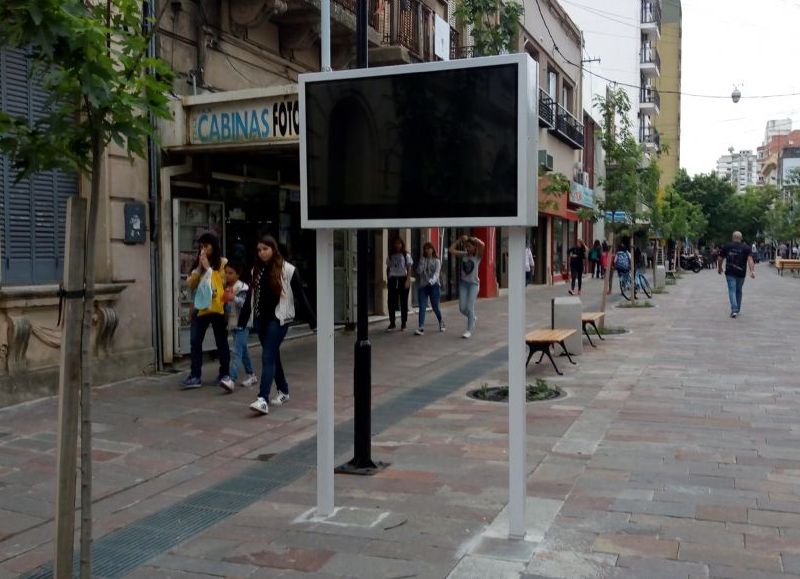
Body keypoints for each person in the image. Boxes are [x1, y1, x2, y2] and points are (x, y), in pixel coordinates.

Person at [239, 234, 315, 415]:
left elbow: (300, 296)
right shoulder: (255, 270)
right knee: (272, 356)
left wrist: (313, 321)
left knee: (267, 356)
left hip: (279, 319)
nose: (262, 253)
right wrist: (243, 321)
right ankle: (284, 390)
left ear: (273, 249)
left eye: (265, 249)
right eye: (259, 250)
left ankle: (262, 399)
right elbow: (251, 296)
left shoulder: (288, 270)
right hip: (261, 319)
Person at [181, 232, 231, 389]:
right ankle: (195, 375)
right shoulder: (199, 264)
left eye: (206, 246)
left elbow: (223, 282)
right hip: (201, 307)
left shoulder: (223, 263)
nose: (203, 250)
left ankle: (225, 373)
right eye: (201, 246)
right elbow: (190, 284)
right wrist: (199, 268)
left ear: (214, 246)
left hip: (217, 307)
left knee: (221, 341)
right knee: (195, 341)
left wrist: (208, 268)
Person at [221, 261, 258, 393]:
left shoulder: (243, 287)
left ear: (238, 274)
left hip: (243, 323)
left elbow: (245, 304)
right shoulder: (227, 287)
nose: (227, 275)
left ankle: (232, 379)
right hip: (234, 323)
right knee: (243, 350)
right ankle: (251, 375)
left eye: (230, 273)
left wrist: (232, 298)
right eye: (226, 273)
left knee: (237, 351)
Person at [449, 234, 485, 339]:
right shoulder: (463, 255)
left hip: (474, 285)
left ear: (474, 247)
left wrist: (475, 239)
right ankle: (472, 317)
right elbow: (451, 250)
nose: (467, 248)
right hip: (463, 284)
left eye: (469, 246)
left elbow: (482, 245)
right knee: (462, 308)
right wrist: (459, 239)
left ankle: (469, 330)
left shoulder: (477, 257)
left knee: (469, 307)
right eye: (466, 246)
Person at [718, 231, 755, 319]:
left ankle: (734, 310)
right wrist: (752, 270)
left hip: (730, 272)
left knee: (732, 290)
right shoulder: (746, 248)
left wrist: (719, 267)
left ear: (732, 237)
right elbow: (750, 260)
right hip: (741, 273)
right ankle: (736, 309)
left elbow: (720, 258)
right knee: (739, 290)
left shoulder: (727, 246)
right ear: (741, 238)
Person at [414, 242, 445, 335]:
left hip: (434, 286)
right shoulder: (422, 260)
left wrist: (431, 281)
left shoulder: (437, 261)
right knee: (422, 306)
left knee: (435, 307)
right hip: (423, 286)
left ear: (432, 249)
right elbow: (418, 272)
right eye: (426, 249)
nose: (427, 250)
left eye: (429, 248)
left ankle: (441, 321)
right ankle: (421, 327)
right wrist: (422, 263)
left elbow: (436, 273)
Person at [386, 237, 413, 331]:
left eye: (399, 243)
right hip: (393, 279)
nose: (397, 245)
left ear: (402, 244)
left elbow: (409, 268)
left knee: (403, 302)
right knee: (391, 302)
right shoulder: (390, 255)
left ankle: (403, 323)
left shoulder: (406, 255)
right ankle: (392, 322)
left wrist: (408, 280)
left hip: (403, 278)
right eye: (396, 243)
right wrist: (388, 278)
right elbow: (388, 267)